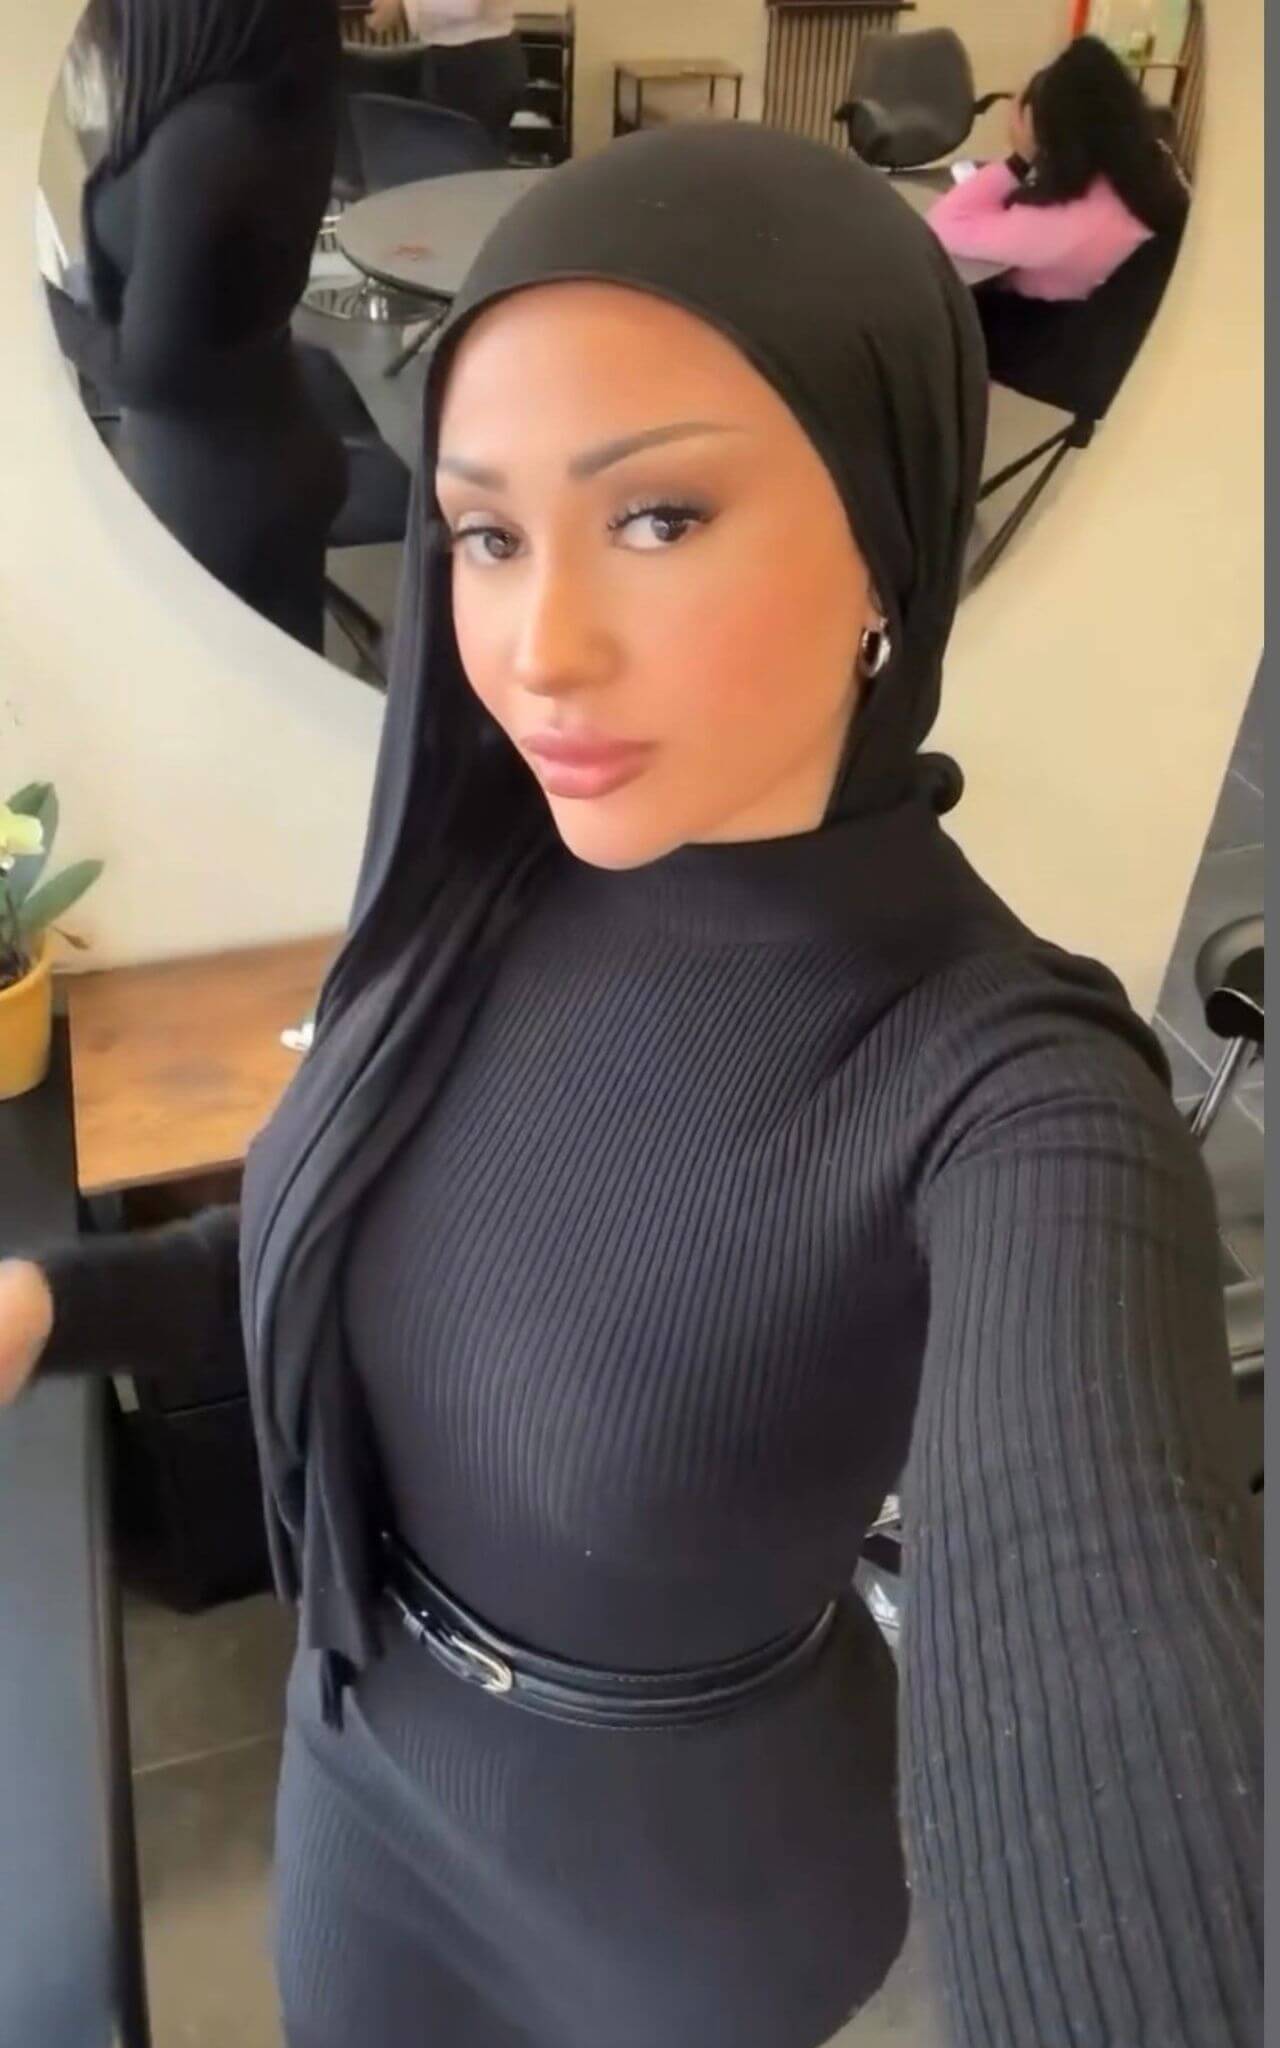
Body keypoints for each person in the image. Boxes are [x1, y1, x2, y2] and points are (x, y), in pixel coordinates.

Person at [3, 125, 1260, 2048]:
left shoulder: (1011, 1091)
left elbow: (1105, 1624)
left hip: (686, 1920)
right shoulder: (487, 885)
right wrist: (52, 1302)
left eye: (659, 516)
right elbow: (356, 1254)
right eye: (488, 535)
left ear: (887, 548)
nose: (538, 651)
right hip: (362, 1774)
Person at [45, 0, 346, 652]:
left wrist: (37, 304)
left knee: (234, 699)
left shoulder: (207, 137)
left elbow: (149, 374)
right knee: (271, 691)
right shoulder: (275, 97)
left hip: (217, 496)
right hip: (263, 455)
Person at [929, 35, 1189, 301]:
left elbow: (942, 226)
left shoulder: (1056, 221)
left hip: (1034, 320)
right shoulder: (1147, 181)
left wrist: (1019, 160)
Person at [366, 0, 526, 146]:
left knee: (461, 159)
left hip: (477, 66)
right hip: (451, 59)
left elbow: (469, 7)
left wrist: (402, 5)